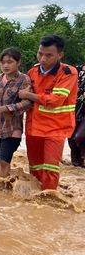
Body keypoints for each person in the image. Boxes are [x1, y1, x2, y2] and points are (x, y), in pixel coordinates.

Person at [19, 34, 78, 190]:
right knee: (35, 167)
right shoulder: (32, 71)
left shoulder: (68, 72)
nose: (43, 59)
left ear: (60, 55)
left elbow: (55, 100)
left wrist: (28, 95)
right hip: (33, 127)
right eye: (40, 53)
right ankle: (38, 203)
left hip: (56, 128)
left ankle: (49, 200)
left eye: (48, 55)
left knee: (50, 168)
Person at [0, 47, 33, 178]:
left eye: (10, 62)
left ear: (18, 63)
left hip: (12, 126)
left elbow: (27, 103)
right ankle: (1, 183)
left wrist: (5, 108)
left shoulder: (24, 80)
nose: (5, 65)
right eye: (3, 62)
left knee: (4, 159)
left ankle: (2, 188)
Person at [67, 64, 85, 166]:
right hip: (74, 107)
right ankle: (76, 161)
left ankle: (83, 156)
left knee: (80, 136)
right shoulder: (76, 69)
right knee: (71, 136)